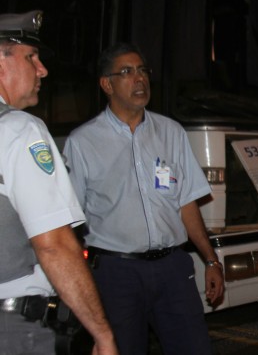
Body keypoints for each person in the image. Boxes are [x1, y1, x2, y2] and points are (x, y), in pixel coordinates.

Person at [63, 42, 224, 355]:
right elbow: (71, 219)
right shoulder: (83, 142)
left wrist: (211, 259)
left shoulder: (172, 132)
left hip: (173, 269)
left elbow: (186, 202)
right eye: (127, 72)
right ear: (106, 84)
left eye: (143, 71)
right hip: (116, 273)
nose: (139, 79)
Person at [0, 10, 117, 354]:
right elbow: (53, 244)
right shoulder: (19, 130)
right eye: (31, 57)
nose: (42, 70)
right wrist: (103, 335)